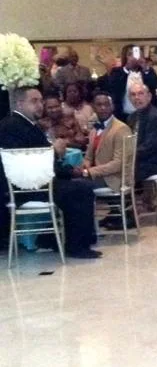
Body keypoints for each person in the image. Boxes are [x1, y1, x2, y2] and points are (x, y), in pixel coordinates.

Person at [0, 87, 101, 259]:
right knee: (79, 191)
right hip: (24, 187)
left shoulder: (27, 124)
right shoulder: (13, 126)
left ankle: (55, 239)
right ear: (19, 103)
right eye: (34, 101)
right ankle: (75, 245)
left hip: (35, 181)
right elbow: (28, 161)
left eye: (40, 101)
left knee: (80, 186)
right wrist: (54, 152)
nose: (40, 105)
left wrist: (69, 171)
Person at [80, 92, 131, 192]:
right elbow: (88, 157)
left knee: (76, 186)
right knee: (69, 182)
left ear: (112, 107)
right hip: (97, 176)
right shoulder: (94, 129)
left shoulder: (121, 129)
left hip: (114, 179)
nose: (103, 108)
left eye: (106, 104)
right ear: (93, 108)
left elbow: (118, 163)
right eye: (99, 105)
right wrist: (85, 166)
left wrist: (90, 172)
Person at [127, 82, 157, 185]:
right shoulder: (132, 117)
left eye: (140, 94)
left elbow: (149, 147)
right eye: (133, 94)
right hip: (140, 159)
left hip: (156, 161)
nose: (137, 98)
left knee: (121, 172)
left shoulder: (155, 116)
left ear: (149, 96)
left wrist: (127, 156)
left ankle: (125, 199)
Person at [101, 46, 157, 122]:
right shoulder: (117, 72)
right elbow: (114, 88)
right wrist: (127, 68)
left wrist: (145, 68)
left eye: (136, 53)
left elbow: (156, 85)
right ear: (125, 57)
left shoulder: (148, 71)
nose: (133, 57)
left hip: (147, 115)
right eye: (130, 54)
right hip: (124, 116)